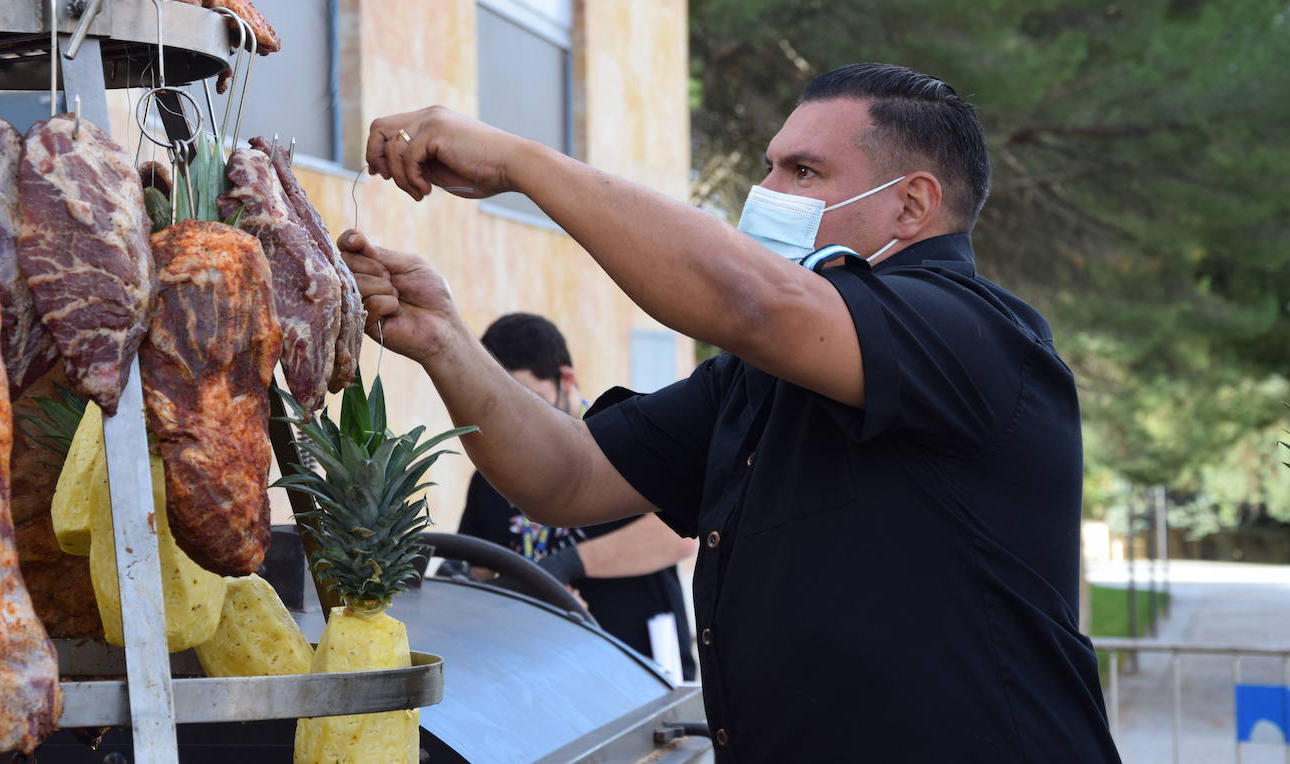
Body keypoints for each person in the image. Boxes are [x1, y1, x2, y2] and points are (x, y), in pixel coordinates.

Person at [339, 63, 1120, 762]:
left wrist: (521, 161)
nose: (768, 194)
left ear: (911, 205)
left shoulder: (974, 331)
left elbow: (747, 301)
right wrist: (442, 339)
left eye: (804, 170)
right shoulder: (759, 379)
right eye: (770, 167)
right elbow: (567, 478)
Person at [455, 312, 698, 681]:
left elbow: (678, 540)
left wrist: (566, 565)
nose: (514, 418)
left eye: (529, 398)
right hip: (542, 678)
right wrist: (507, 590)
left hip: (643, 675)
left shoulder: (620, 437)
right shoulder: (490, 476)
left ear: (565, 380)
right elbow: (478, 565)